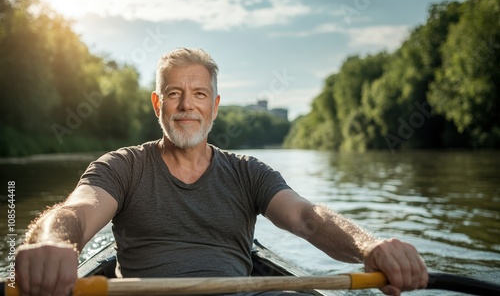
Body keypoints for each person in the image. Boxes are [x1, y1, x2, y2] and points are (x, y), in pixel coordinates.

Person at [15, 48, 428, 296]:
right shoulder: (123, 166)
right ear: (158, 105)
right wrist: (54, 242)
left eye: (199, 95)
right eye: (174, 94)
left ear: (215, 106)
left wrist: (370, 247)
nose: (186, 106)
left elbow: (307, 218)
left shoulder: (248, 172)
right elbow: (76, 212)